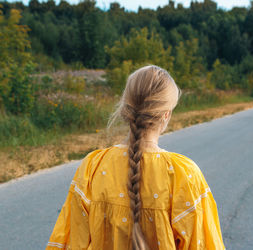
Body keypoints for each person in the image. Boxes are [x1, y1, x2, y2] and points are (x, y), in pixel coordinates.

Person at [46, 65, 226, 249]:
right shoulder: (183, 175)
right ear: (166, 115)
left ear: (126, 108)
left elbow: (70, 243)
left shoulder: (93, 168)